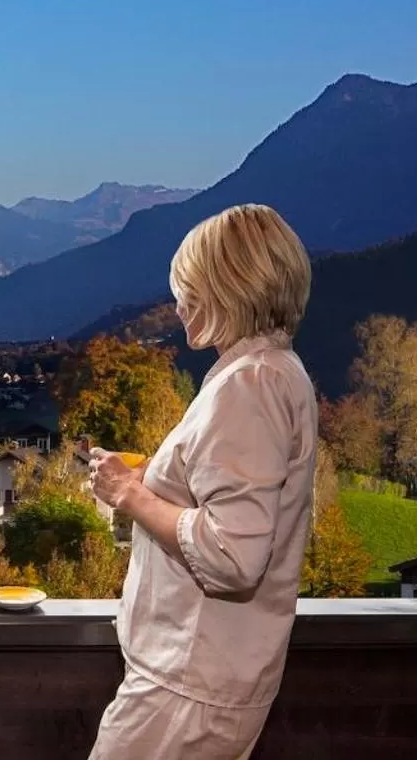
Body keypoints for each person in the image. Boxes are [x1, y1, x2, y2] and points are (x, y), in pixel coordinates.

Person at [85, 204, 319, 759]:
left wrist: (129, 495)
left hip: (187, 683)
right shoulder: (277, 373)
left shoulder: (250, 386)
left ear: (230, 288)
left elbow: (234, 555)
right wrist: (149, 479)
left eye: (190, 289)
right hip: (203, 680)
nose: (179, 304)